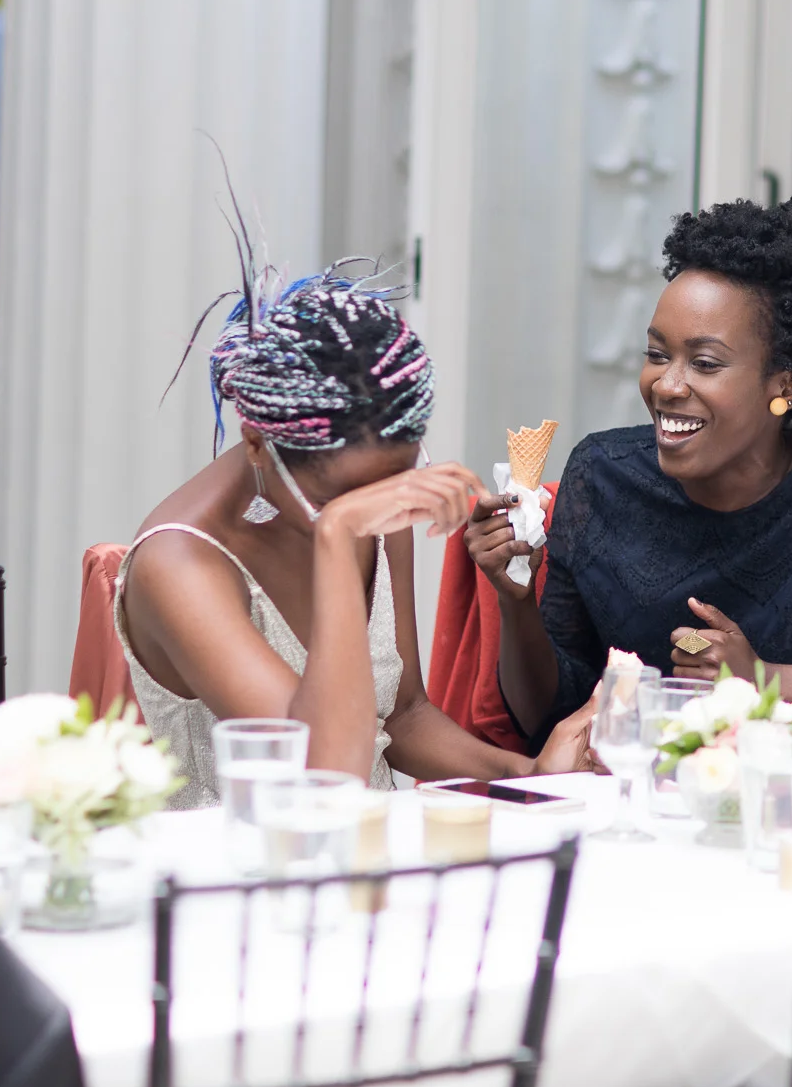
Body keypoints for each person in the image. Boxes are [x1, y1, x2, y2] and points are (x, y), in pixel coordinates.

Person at [470, 198, 792, 735]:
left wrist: (765, 680)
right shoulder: (600, 476)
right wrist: (516, 602)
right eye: (657, 354)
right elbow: (548, 718)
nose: (667, 385)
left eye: (704, 363)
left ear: (787, 387)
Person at [114, 264, 595, 808]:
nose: (384, 507)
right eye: (348, 499)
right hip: (243, 852)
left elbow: (403, 717)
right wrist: (340, 538)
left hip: (372, 839)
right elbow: (322, 777)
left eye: (398, 479)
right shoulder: (178, 564)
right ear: (257, 446)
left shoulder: (375, 496)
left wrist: (530, 772)